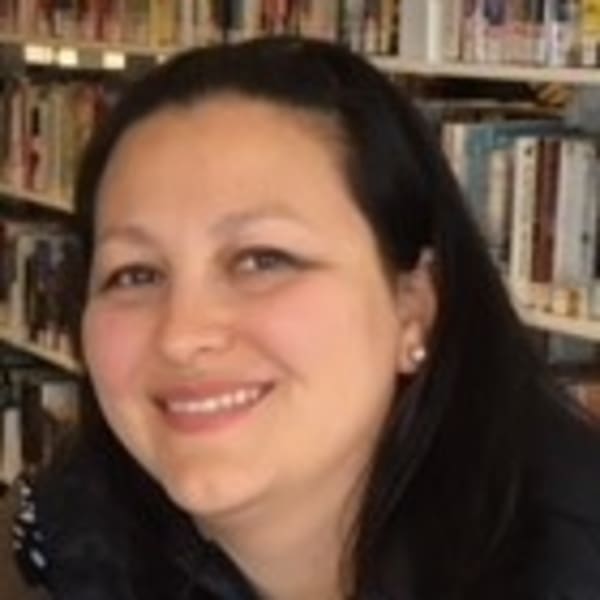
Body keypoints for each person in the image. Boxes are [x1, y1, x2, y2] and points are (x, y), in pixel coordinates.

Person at [11, 36, 600, 600]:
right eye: (135, 274)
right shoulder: (55, 555)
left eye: (262, 260)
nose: (183, 335)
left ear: (415, 305)